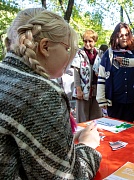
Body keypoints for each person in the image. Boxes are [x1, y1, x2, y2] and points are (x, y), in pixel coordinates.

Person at [0, 8, 101, 179]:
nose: (69, 56)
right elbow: (67, 176)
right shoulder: (42, 92)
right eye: (67, 48)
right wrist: (88, 146)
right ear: (45, 47)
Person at [96, 22, 134, 122]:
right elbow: (101, 77)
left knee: (130, 131)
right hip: (115, 102)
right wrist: (101, 99)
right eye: (120, 35)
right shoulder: (109, 54)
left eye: (126, 35)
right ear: (115, 36)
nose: (124, 38)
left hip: (133, 102)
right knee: (114, 130)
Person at [71, 29, 103, 122]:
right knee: (83, 118)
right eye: (85, 41)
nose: (87, 43)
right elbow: (76, 71)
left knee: (96, 118)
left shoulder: (100, 54)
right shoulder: (79, 53)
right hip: (83, 89)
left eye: (90, 41)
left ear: (95, 41)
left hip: (96, 90)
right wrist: (78, 89)